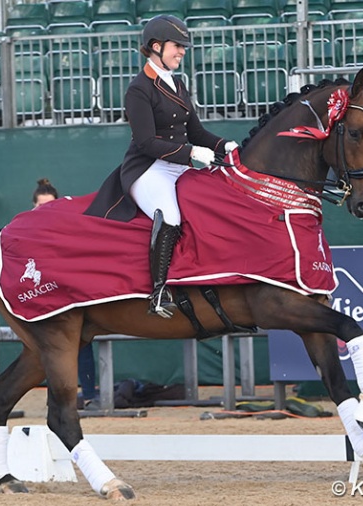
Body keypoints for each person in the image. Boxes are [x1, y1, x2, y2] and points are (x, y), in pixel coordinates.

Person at [84, 14, 238, 318]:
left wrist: (224, 146)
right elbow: (146, 142)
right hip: (148, 168)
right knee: (170, 214)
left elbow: (196, 132)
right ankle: (157, 293)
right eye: (177, 46)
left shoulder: (178, 83)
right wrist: (191, 153)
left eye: (183, 47)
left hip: (180, 163)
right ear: (156, 46)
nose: (182, 52)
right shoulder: (139, 89)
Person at [32, 178, 99, 407]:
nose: (45, 210)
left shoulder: (70, 230)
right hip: (41, 302)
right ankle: (59, 398)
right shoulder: (24, 233)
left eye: (50, 205)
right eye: (41, 206)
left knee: (82, 341)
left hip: (70, 299)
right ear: (33, 207)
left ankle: (89, 395)